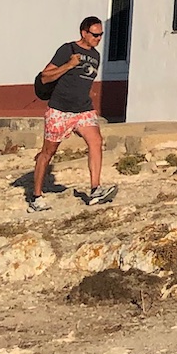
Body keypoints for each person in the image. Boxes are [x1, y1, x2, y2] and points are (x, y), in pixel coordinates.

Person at [28, 17, 113, 211]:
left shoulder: (97, 56)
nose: (98, 38)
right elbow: (45, 75)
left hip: (83, 109)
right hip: (60, 109)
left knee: (96, 141)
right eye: (95, 34)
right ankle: (36, 197)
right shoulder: (68, 50)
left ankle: (95, 189)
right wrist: (68, 65)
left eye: (101, 35)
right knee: (48, 153)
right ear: (84, 33)